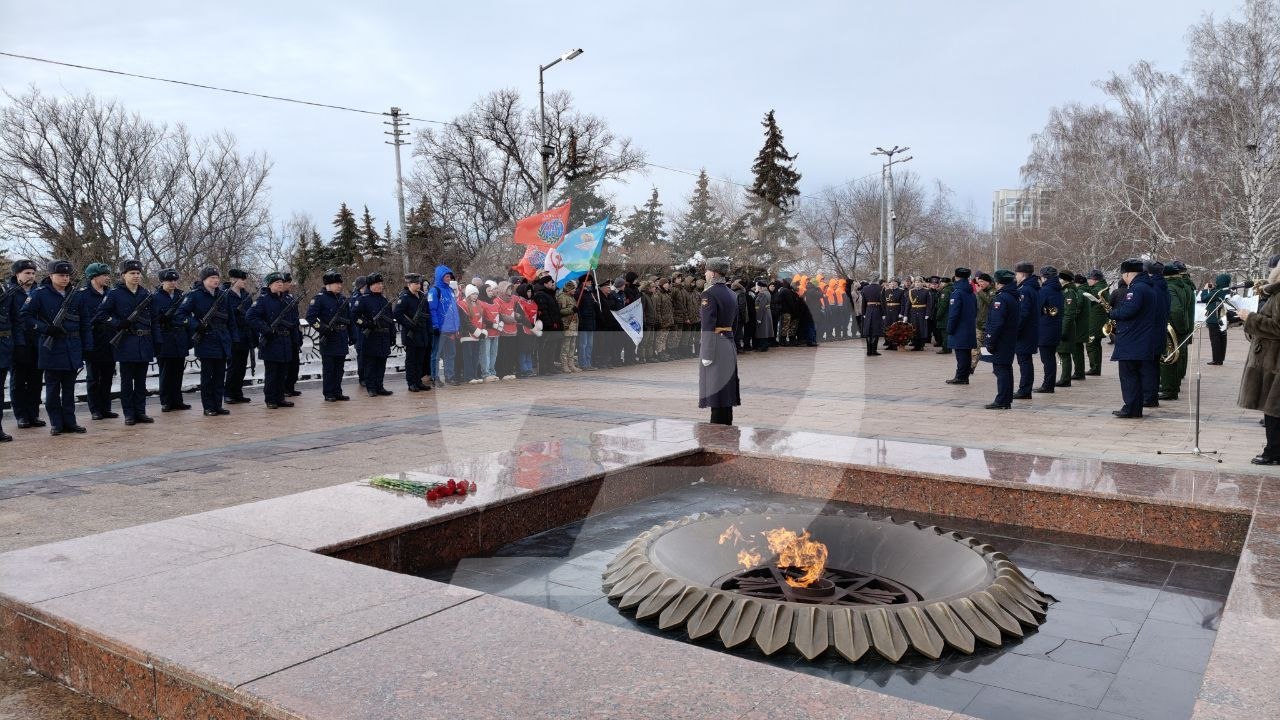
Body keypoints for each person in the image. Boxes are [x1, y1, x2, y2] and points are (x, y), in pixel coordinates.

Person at [19, 259, 88, 434]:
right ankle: (56, 423)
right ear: (51, 276)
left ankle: (70, 422)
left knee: (69, 389)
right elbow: (25, 317)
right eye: (61, 275)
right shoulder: (39, 294)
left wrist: (87, 348)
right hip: (51, 347)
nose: (65, 279)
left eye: (67, 275)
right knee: (52, 389)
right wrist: (45, 328)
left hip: (72, 346)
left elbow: (85, 323)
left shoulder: (76, 295)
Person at [95, 259, 155, 425]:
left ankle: (140, 412)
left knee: (141, 382)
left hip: (143, 342)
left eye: (138, 273)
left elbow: (154, 319)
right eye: (132, 273)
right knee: (127, 382)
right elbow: (100, 314)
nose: (136, 276)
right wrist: (117, 323)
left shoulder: (146, 294)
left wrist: (156, 342)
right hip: (126, 342)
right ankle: (129, 413)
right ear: (123, 275)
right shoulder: (114, 294)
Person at [1234, 264, 1280, 463]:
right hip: (1272, 359)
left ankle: (1273, 453)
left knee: (1274, 409)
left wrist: (1250, 318)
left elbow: (1278, 327)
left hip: (1275, 361)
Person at [180, 267, 234, 416]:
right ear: (204, 280)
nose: (216, 280)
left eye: (217, 278)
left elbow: (231, 319)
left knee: (219, 376)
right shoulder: (194, 295)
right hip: (206, 339)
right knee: (207, 377)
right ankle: (208, 407)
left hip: (222, 339)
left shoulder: (224, 295)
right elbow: (180, 314)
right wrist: (196, 325)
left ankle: (218, 405)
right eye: (211, 278)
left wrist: (233, 337)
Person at [1109, 259, 1156, 418]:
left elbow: (1127, 311)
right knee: (1136, 375)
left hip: (1132, 340)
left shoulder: (1136, 289)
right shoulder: (1149, 287)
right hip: (1141, 338)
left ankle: (1131, 408)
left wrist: (1112, 313)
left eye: (1123, 275)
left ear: (1128, 273)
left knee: (1129, 376)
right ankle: (1135, 408)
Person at [699, 258, 741, 425]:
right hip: (728, 343)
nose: (705, 273)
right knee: (726, 392)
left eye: (707, 270)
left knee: (715, 392)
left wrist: (707, 353)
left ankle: (716, 431)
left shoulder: (709, 294)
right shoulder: (731, 293)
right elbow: (735, 323)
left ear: (714, 273)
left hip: (715, 345)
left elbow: (708, 325)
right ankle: (727, 426)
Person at [247, 272, 297, 408]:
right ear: (269, 285)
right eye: (276, 282)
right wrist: (266, 329)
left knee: (282, 372)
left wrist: (294, 339)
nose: (280, 284)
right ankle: (270, 399)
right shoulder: (263, 300)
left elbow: (293, 321)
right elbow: (251, 317)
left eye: (281, 282)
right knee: (272, 373)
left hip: (285, 340)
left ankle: (280, 397)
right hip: (271, 340)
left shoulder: (287, 300)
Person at [6, 259, 43, 429]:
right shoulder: (10, 292)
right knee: (18, 381)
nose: (31, 276)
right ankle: (21, 415)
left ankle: (33, 414)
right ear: (17, 274)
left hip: (38, 341)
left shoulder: (39, 291)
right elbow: (12, 320)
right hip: (18, 343)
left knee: (36, 380)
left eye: (33, 273)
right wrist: (18, 343)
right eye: (27, 273)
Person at [79, 262, 118, 421]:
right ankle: (95, 409)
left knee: (108, 376)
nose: (107, 278)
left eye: (108, 275)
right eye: (104, 275)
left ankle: (106, 408)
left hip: (110, 339)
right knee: (94, 377)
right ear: (93, 277)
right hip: (93, 340)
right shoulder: (82, 295)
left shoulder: (111, 293)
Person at [306, 270, 351, 401]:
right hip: (329, 338)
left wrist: (351, 335)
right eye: (337, 283)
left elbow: (349, 319)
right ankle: (328, 393)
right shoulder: (319, 299)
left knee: (339, 368)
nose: (340, 286)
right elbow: (311, 318)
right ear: (328, 285)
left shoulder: (342, 299)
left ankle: (338, 391)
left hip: (341, 337)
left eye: (340, 283)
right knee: (329, 368)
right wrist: (323, 329)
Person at [982, 270, 1022, 409]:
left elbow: (996, 322)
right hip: (1009, 338)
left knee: (1000, 370)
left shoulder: (1002, 298)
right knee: (1005, 368)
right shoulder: (1013, 296)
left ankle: (1002, 400)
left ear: (999, 283)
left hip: (1001, 339)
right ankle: (1006, 399)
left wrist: (990, 341)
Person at [153, 269, 191, 412]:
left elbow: (186, 314)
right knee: (166, 372)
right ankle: (166, 401)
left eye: (175, 280)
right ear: (162, 281)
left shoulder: (181, 296)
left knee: (178, 371)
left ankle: (177, 400)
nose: (173, 283)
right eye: (169, 280)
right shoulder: (155, 297)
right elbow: (154, 319)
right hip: (165, 337)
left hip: (179, 337)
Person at [354, 273, 395, 396]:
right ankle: (371, 388)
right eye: (378, 284)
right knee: (370, 364)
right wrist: (366, 324)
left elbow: (390, 319)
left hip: (383, 336)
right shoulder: (363, 300)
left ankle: (379, 386)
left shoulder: (384, 300)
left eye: (381, 284)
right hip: (370, 336)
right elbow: (354, 317)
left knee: (381, 363)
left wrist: (392, 335)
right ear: (371, 285)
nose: (381, 286)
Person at [1159, 262, 1195, 400]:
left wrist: (1178, 328)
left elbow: (1175, 309)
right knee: (1176, 358)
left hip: (1173, 327)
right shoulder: (1183, 286)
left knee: (1168, 359)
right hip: (1181, 327)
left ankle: (1169, 389)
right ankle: (1172, 386)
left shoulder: (1170, 287)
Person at [396, 273, 433, 391]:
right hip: (410, 334)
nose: (419, 285)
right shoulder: (404, 297)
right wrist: (410, 324)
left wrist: (428, 330)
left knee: (420, 359)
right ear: (409, 284)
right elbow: (397, 314)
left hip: (422, 333)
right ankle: (411, 382)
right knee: (411, 360)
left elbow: (427, 314)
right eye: (416, 283)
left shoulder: (422, 296)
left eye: (419, 283)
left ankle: (418, 381)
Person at [224, 269, 255, 404]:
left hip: (245, 335)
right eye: (242, 279)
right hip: (233, 336)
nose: (244, 282)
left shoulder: (246, 296)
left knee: (242, 366)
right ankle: (228, 393)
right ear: (234, 280)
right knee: (233, 366)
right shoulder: (226, 296)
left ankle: (238, 392)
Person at [1013, 262, 1040, 399]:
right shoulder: (1033, 287)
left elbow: (1023, 313)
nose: (1015, 276)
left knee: (1024, 362)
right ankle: (1025, 388)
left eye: (1017, 274)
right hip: (1031, 330)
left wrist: (1015, 331)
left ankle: (1024, 390)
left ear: (1023, 274)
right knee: (1026, 361)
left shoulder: (1024, 290)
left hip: (1025, 332)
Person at [1034, 266, 1064, 393]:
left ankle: (1048, 385)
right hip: (1055, 327)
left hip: (1045, 328)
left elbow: (1038, 307)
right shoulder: (1058, 289)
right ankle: (1049, 384)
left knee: (1047, 359)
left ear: (1044, 277)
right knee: (1050, 358)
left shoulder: (1046, 290)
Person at [946, 268, 977, 385]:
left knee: (960, 354)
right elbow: (975, 310)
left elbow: (954, 314)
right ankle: (963, 376)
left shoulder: (957, 292)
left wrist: (950, 328)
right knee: (966, 353)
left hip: (959, 328)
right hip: (968, 327)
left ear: (956, 277)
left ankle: (961, 377)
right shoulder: (971, 292)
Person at [428, 266, 458, 386]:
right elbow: (432, 310)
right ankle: (435, 377)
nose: (448, 278)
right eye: (446, 276)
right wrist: (435, 326)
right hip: (440, 330)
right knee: (436, 354)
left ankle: (450, 376)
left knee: (450, 354)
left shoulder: (450, 291)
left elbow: (454, 310)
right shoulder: (434, 291)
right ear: (440, 277)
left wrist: (456, 326)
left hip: (450, 329)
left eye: (449, 276)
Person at [1054, 270, 1082, 387]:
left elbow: (1069, 314)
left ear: (1064, 279)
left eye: (1060, 278)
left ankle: (1065, 379)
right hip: (1064, 325)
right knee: (1062, 352)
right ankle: (1064, 378)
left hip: (1067, 327)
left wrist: (1064, 331)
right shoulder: (1065, 290)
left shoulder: (1069, 292)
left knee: (1065, 353)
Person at [533, 276, 562, 374]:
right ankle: (543, 368)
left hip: (554, 325)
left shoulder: (550, 294)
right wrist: (549, 324)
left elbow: (555, 311)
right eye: (550, 282)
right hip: (546, 327)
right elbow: (543, 311)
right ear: (545, 283)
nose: (552, 283)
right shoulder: (541, 294)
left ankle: (550, 366)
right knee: (545, 347)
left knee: (552, 347)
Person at [1084, 269, 1110, 375]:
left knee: (1091, 344)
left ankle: (1094, 368)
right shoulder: (1101, 287)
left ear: (1094, 279)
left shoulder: (1096, 289)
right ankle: (1096, 368)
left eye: (1089, 279)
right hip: (1099, 320)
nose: (1088, 281)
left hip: (1095, 321)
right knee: (1096, 345)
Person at [1203, 273, 1232, 365]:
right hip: (1223, 318)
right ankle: (1221, 358)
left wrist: (1205, 290)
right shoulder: (1228, 290)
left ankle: (1216, 359)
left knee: (1215, 340)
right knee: (1223, 339)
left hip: (1214, 318)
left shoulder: (1217, 291)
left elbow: (1205, 299)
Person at [577, 275, 601, 369]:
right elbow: (579, 309)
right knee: (583, 344)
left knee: (590, 345)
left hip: (591, 321)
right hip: (584, 322)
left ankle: (588, 362)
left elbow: (593, 308)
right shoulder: (580, 292)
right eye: (589, 281)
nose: (591, 283)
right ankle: (583, 363)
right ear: (584, 282)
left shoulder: (591, 293)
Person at [350, 275, 368, 388]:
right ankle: (362, 378)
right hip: (359, 331)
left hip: (367, 331)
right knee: (361, 356)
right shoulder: (355, 298)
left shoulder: (366, 296)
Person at [860, 277, 885, 356]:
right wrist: (884, 313)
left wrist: (863, 313)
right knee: (875, 330)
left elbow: (863, 302)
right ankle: (873, 350)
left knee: (868, 331)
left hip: (868, 310)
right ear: (877, 278)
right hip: (877, 310)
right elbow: (883, 301)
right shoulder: (881, 288)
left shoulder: (865, 288)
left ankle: (869, 351)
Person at [906, 280, 931, 351]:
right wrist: (906, 315)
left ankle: (921, 345)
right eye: (916, 282)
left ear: (922, 283)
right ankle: (915, 345)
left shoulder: (926, 291)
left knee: (922, 329)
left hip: (922, 312)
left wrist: (927, 313)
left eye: (919, 282)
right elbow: (908, 304)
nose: (917, 284)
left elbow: (929, 304)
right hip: (913, 312)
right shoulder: (911, 291)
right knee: (914, 328)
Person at [752, 280, 773, 353]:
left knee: (762, 331)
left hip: (763, 314)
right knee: (765, 330)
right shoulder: (767, 292)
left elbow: (761, 306)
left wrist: (759, 318)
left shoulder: (762, 294)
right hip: (766, 313)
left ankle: (763, 346)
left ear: (760, 286)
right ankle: (764, 345)